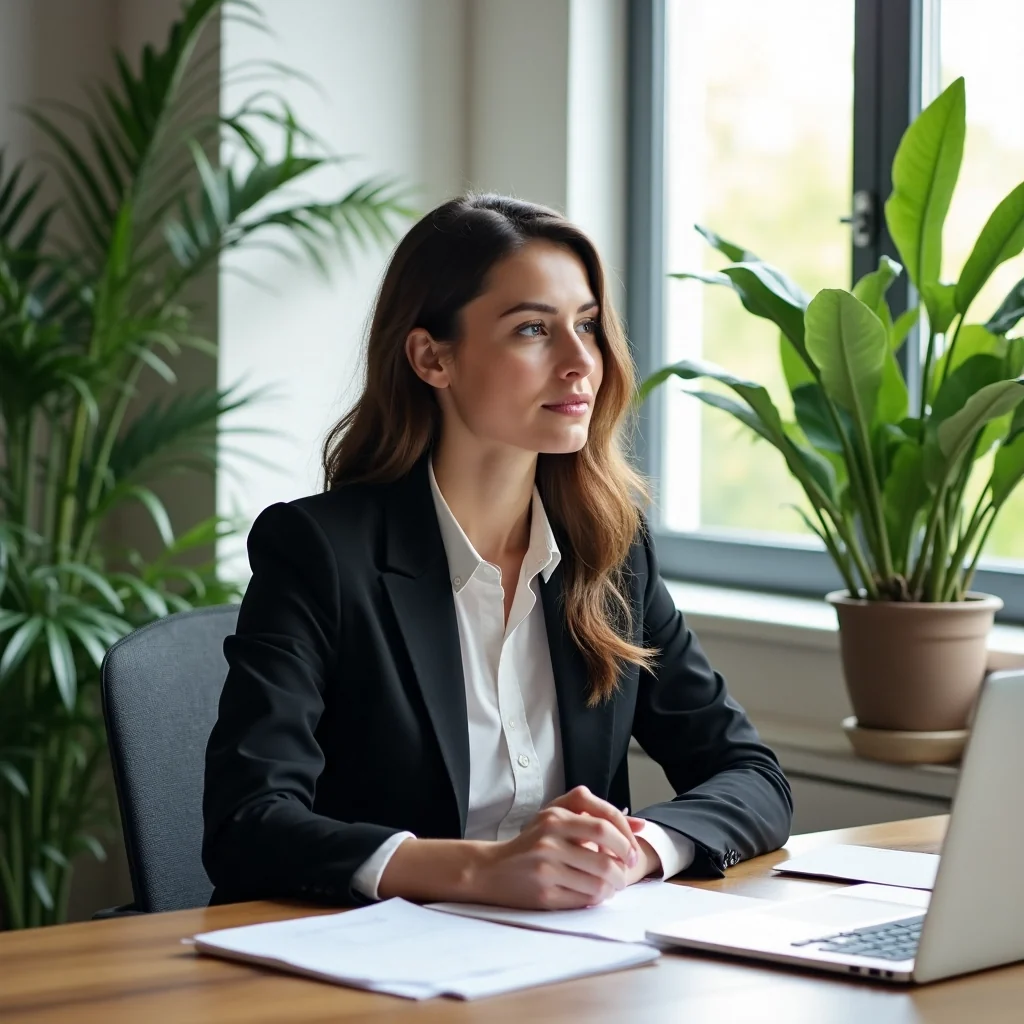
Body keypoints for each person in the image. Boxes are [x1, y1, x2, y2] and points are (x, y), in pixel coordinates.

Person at [202, 193, 792, 911]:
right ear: (431, 357)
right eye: (533, 330)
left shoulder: (610, 550)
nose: (582, 361)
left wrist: (630, 852)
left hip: (576, 965)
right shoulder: (320, 553)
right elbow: (248, 826)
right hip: (382, 970)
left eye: (588, 325)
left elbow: (751, 776)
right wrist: (482, 870)